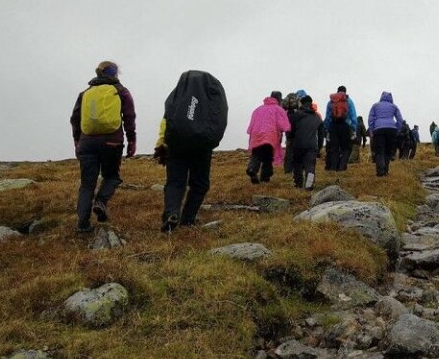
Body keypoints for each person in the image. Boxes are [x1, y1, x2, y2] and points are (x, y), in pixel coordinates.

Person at [154, 70, 229, 232]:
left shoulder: (177, 95)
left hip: (176, 144)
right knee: (200, 184)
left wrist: (162, 143)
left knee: (175, 182)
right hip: (202, 146)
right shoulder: (212, 96)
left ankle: (171, 213)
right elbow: (220, 118)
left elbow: (166, 120)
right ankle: (188, 219)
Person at [70, 61, 136, 233]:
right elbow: (129, 117)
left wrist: (78, 142)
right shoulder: (121, 91)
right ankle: (100, 202)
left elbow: (75, 119)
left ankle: (83, 224)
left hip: (87, 143)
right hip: (112, 142)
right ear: (114, 73)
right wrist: (132, 141)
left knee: (87, 184)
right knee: (112, 177)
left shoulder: (85, 93)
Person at [246, 91, 291, 184]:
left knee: (256, 154)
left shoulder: (258, 109)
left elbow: (252, 124)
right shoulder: (278, 109)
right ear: (279, 99)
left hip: (256, 135)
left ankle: (252, 169)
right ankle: (265, 178)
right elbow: (285, 125)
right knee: (268, 157)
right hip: (270, 136)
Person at [289, 95, 323, 189]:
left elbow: (291, 129)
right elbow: (321, 134)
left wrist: (291, 139)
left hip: (298, 143)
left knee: (297, 164)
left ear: (302, 103)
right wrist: (319, 147)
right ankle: (309, 185)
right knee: (310, 166)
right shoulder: (317, 117)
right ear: (311, 103)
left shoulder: (297, 114)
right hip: (312, 145)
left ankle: (298, 184)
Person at [368, 91, 404, 177]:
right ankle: (386, 171)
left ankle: (380, 173)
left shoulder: (375, 106)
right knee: (388, 151)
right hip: (391, 129)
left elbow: (370, 119)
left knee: (379, 151)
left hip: (378, 129)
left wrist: (371, 131)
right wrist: (397, 130)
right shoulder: (394, 106)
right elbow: (400, 120)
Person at [324, 86, 358, 171]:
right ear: (345, 92)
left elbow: (327, 117)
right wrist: (353, 128)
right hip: (345, 126)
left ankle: (334, 167)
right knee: (345, 148)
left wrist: (327, 128)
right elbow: (353, 115)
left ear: (337, 91)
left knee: (334, 148)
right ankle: (342, 167)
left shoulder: (331, 102)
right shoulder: (348, 101)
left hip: (333, 126)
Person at [281, 91, 303, 173]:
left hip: (288, 122)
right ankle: (297, 168)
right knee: (297, 149)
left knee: (289, 149)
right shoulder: (298, 99)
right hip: (297, 127)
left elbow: (282, 107)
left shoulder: (287, 100)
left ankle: (287, 169)